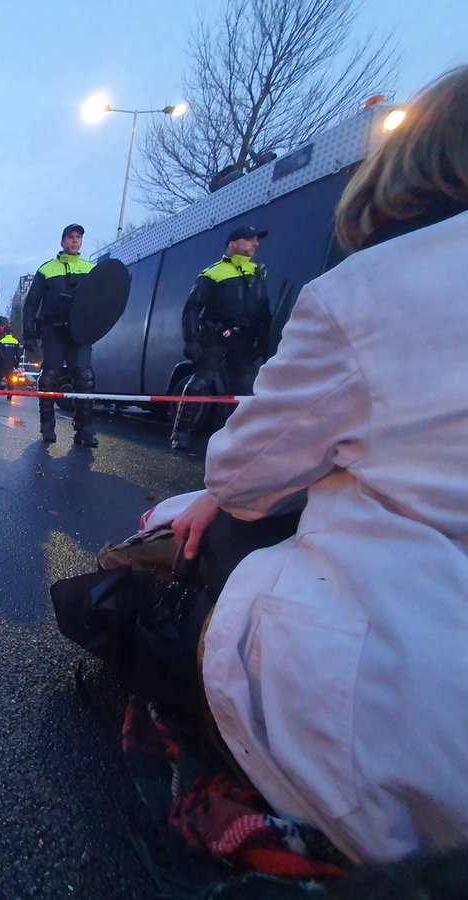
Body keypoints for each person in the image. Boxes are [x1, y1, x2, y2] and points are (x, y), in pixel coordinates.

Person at [169, 67, 468, 864]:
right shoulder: (221, 278)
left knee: (208, 530)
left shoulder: (368, 286)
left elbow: (245, 478)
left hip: (423, 684)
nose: (246, 247)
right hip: (227, 362)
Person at [169, 226, 271, 451]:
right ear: (233, 244)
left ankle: (239, 439)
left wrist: (263, 341)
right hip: (215, 336)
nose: (256, 244)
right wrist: (191, 339)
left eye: (257, 240)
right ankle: (180, 432)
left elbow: (264, 310)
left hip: (244, 341)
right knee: (200, 383)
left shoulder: (257, 273)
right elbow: (192, 308)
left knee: (246, 390)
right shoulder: (213, 272)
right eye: (249, 240)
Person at [22, 224, 97, 446]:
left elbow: (100, 302)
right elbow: (31, 303)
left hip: (80, 332)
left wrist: (97, 327)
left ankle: (85, 430)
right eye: (71, 237)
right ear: (62, 241)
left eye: (78, 237)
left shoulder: (91, 269)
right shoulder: (47, 270)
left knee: (85, 378)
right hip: (53, 330)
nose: (75, 241)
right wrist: (29, 334)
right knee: (49, 377)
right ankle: (47, 428)